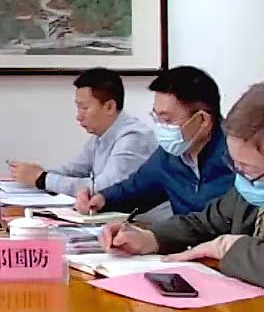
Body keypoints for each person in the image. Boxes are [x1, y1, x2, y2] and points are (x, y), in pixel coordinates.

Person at [99, 79, 264, 312]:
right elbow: (205, 221)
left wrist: (228, 247)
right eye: (235, 166)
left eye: (249, 171)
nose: (241, 179)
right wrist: (151, 238)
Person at [75, 66, 233, 216]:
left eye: (167, 120)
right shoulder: (169, 155)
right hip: (181, 234)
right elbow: (135, 188)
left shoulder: (236, 158)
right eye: (157, 118)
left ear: (203, 120)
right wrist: (101, 199)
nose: (161, 127)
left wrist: (159, 233)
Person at [8, 68, 156, 197]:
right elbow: (74, 170)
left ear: (110, 107)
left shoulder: (134, 138)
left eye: (84, 108)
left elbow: (105, 188)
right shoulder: (101, 135)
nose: (78, 116)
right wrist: (37, 173)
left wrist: (43, 179)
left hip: (141, 219)